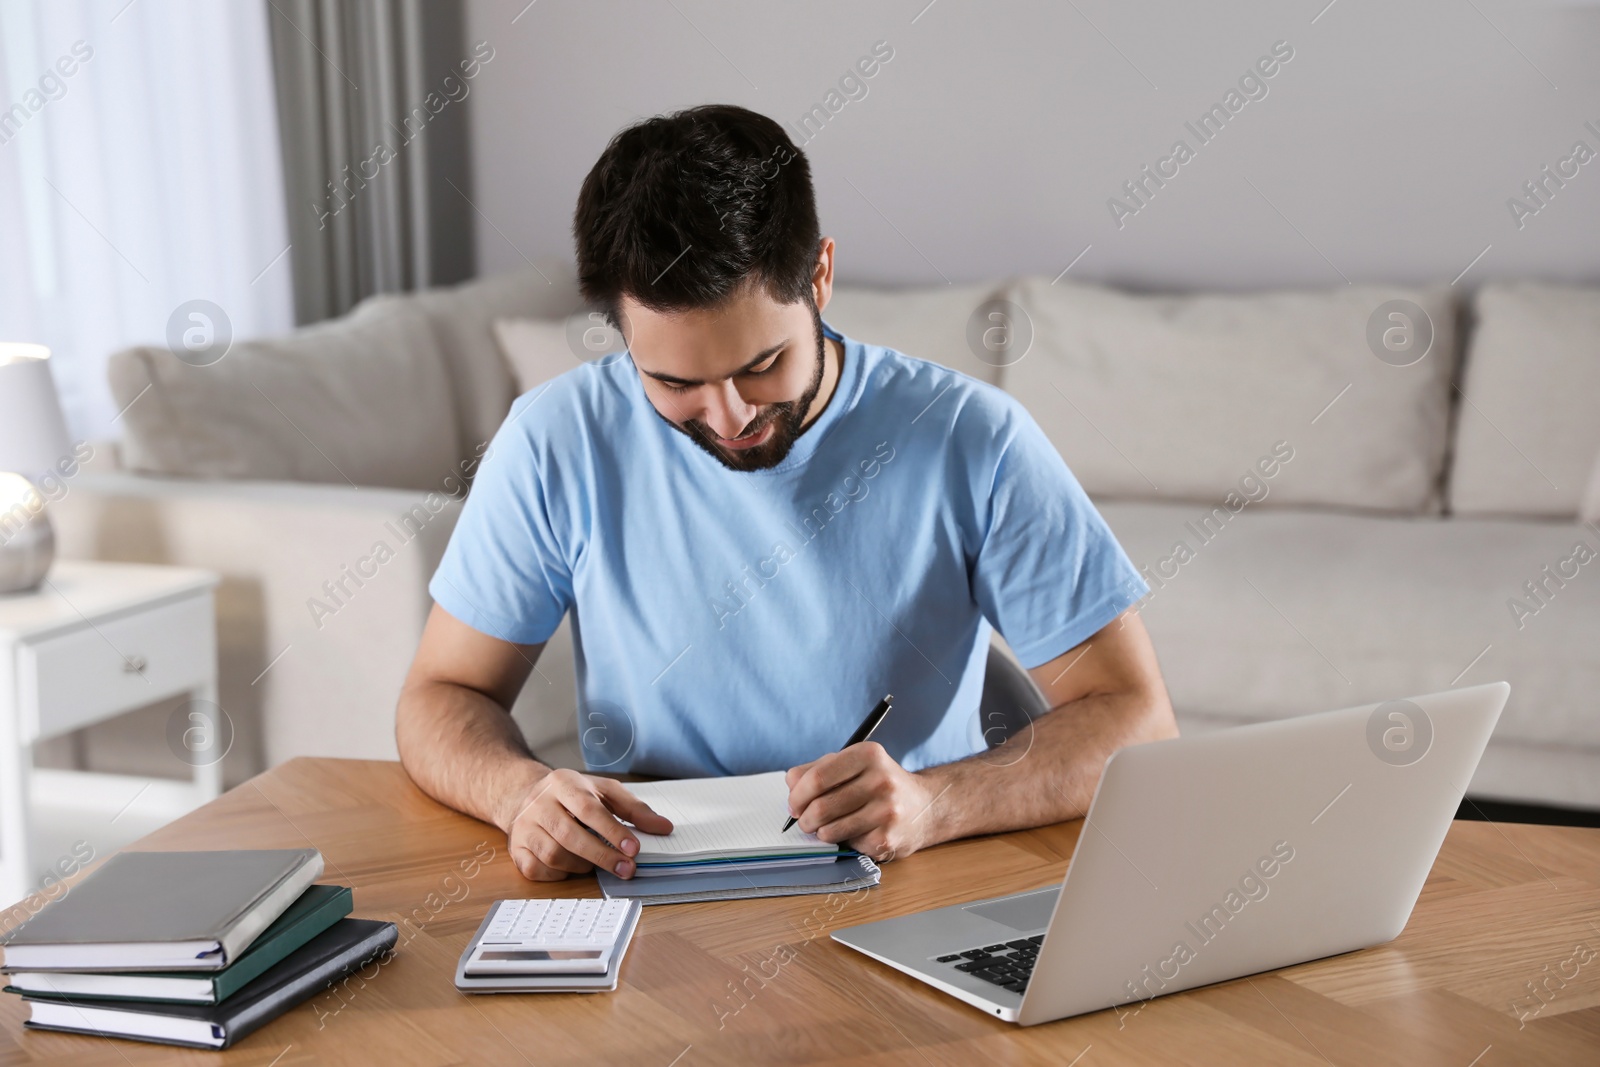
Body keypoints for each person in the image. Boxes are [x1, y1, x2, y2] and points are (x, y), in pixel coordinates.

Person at [396, 104, 1177, 882]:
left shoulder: (975, 439)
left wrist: (936, 802)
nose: (728, 416)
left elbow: (1136, 721)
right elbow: (441, 694)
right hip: (652, 887)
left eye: (762, 364)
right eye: (673, 381)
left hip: (905, 882)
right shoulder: (553, 441)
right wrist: (519, 793)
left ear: (820, 276)